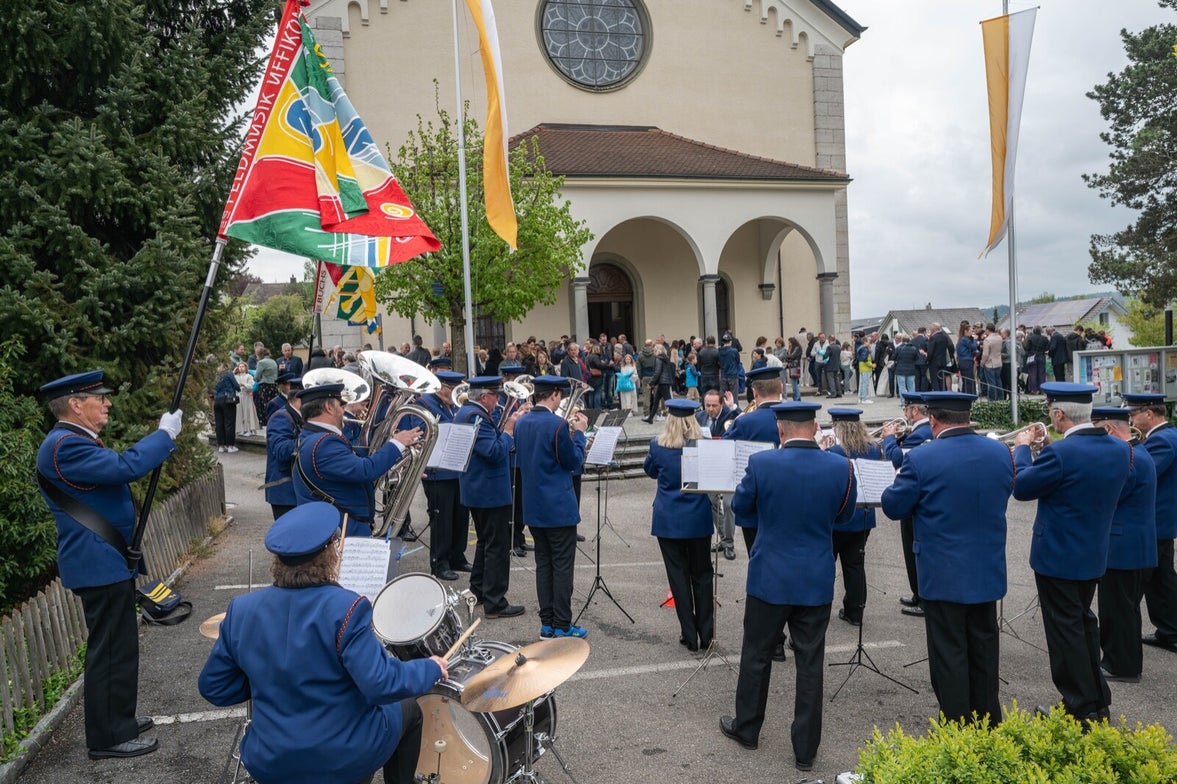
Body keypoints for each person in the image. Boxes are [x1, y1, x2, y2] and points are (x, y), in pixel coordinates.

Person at [198, 503, 447, 784]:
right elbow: (381, 685)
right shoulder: (348, 608)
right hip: (340, 757)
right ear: (331, 553)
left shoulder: (241, 609)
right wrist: (429, 668)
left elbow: (214, 687)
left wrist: (270, 680)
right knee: (410, 709)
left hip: (271, 758)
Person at [36, 370, 182, 759]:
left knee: (120, 646)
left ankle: (120, 720)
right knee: (110, 650)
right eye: (99, 397)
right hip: (97, 563)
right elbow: (123, 467)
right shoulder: (64, 445)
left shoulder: (71, 440)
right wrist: (164, 436)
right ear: (75, 404)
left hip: (105, 559)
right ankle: (108, 738)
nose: (107, 403)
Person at [720, 401, 855, 772]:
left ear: (780, 430)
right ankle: (805, 751)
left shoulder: (763, 463)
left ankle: (747, 728)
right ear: (814, 428)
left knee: (756, 655)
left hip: (770, 577)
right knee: (810, 664)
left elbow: (742, 507)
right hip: (815, 577)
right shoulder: (841, 466)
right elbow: (845, 515)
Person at [881, 392, 1014, 727]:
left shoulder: (923, 459)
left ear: (934, 420)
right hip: (986, 568)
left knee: (949, 652)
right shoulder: (999, 452)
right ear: (967, 417)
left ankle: (956, 725)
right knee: (984, 649)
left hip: (943, 572)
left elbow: (895, 506)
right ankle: (987, 721)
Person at [1012, 382, 1131, 723]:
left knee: (1066, 635)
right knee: (1084, 626)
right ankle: (1097, 699)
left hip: (1058, 557)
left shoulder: (1062, 454)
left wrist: (1023, 449)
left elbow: (1022, 487)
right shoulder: (1118, 449)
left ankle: (1079, 707)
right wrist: (1048, 448)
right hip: (1093, 553)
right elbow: (1076, 476)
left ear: (1058, 414)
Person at [292, 384, 420, 538]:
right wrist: (397, 443)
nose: (343, 410)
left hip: (341, 525)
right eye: (341, 405)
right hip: (344, 531)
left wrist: (403, 465)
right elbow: (364, 470)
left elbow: (351, 463)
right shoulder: (323, 443)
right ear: (329, 407)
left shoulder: (315, 437)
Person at [515, 377, 589, 638]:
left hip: (534, 506)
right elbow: (573, 462)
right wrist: (579, 434)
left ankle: (547, 623)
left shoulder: (521, 423)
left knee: (544, 565)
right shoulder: (557, 424)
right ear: (555, 395)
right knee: (562, 567)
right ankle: (563, 624)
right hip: (558, 507)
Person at [1091, 406, 1156, 682]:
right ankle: (1123, 662)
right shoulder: (1137, 453)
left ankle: (1121, 666)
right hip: (1132, 544)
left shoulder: (1129, 459)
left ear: (1107, 429)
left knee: (1118, 611)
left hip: (1123, 547)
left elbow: (1107, 497)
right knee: (1124, 609)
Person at [645, 399, 714, 651]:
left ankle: (689, 635)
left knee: (678, 577)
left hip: (669, 520)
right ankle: (707, 634)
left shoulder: (658, 446)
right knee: (703, 576)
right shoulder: (703, 445)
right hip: (697, 518)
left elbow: (650, 471)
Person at [455, 376, 525, 619]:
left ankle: (479, 589)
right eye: (496, 396)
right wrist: (508, 432)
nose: (499, 400)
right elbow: (493, 452)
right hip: (488, 492)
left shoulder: (468, 413)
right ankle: (495, 601)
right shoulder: (476, 417)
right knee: (497, 546)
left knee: (486, 541)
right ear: (484, 397)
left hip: (479, 489)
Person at [1124, 393, 1177, 655]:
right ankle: (1169, 631)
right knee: (1161, 581)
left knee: (1135, 585)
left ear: (1149, 413)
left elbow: (1142, 474)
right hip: (1161, 521)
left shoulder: (1162, 441)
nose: (1130, 419)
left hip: (1154, 521)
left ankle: (1125, 645)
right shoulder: (1166, 436)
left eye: (1133, 415)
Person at [824, 409, 883, 626]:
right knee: (855, 565)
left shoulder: (834, 452)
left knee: (828, 563)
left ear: (838, 427)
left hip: (838, 517)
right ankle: (855, 612)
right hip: (864, 516)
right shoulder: (875, 449)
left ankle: (821, 608)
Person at [411, 370, 472, 581]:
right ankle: (440, 562)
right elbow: (418, 432)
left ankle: (457, 556)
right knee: (442, 517)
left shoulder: (455, 405)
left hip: (457, 469)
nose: (455, 393)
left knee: (461, 515)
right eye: (452, 389)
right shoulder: (424, 404)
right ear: (441, 387)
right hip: (437, 471)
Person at [880, 391, 932, 617]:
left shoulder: (921, 434)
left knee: (914, 551)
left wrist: (889, 438)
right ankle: (918, 593)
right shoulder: (920, 431)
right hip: (918, 497)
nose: (905, 414)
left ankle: (923, 596)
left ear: (914, 411)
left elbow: (896, 458)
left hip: (914, 500)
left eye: (907, 409)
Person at [264, 381, 303, 520]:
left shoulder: (298, 417)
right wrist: (307, 438)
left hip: (294, 491)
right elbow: (281, 450)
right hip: (284, 493)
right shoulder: (281, 416)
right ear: (299, 399)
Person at [212, 361, 240, 453]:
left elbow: (213, 389)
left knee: (219, 423)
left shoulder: (216, 375)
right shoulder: (228, 373)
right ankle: (230, 446)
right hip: (228, 399)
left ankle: (221, 445)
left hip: (217, 400)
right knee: (229, 423)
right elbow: (236, 386)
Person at [643, 343, 674, 423]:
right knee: (656, 401)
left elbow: (657, 372)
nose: (653, 352)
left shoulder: (658, 359)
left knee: (668, 401)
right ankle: (650, 418)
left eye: (654, 350)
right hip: (665, 382)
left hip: (662, 382)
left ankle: (675, 417)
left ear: (657, 350)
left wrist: (651, 383)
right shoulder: (665, 358)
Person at [234, 361, 260, 437]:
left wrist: (243, 384)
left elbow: (251, 386)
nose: (241, 368)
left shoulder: (249, 376)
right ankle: (242, 429)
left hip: (246, 396)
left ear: (246, 368)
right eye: (240, 366)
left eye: (243, 366)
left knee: (247, 412)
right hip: (239, 396)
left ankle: (249, 429)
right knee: (240, 413)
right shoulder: (236, 377)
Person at [927, 323, 955, 392]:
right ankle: (943, 394)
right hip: (943, 362)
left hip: (934, 363)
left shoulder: (933, 338)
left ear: (933, 329)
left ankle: (937, 395)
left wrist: (927, 360)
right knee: (942, 380)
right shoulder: (944, 337)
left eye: (931, 329)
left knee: (935, 380)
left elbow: (930, 352)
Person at [784, 336, 804, 401]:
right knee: (794, 383)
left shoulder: (797, 348)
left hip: (795, 367)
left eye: (790, 343)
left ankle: (797, 397)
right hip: (792, 367)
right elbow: (787, 356)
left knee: (794, 383)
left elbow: (791, 356)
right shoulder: (792, 348)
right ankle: (797, 396)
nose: (789, 344)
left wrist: (787, 356)